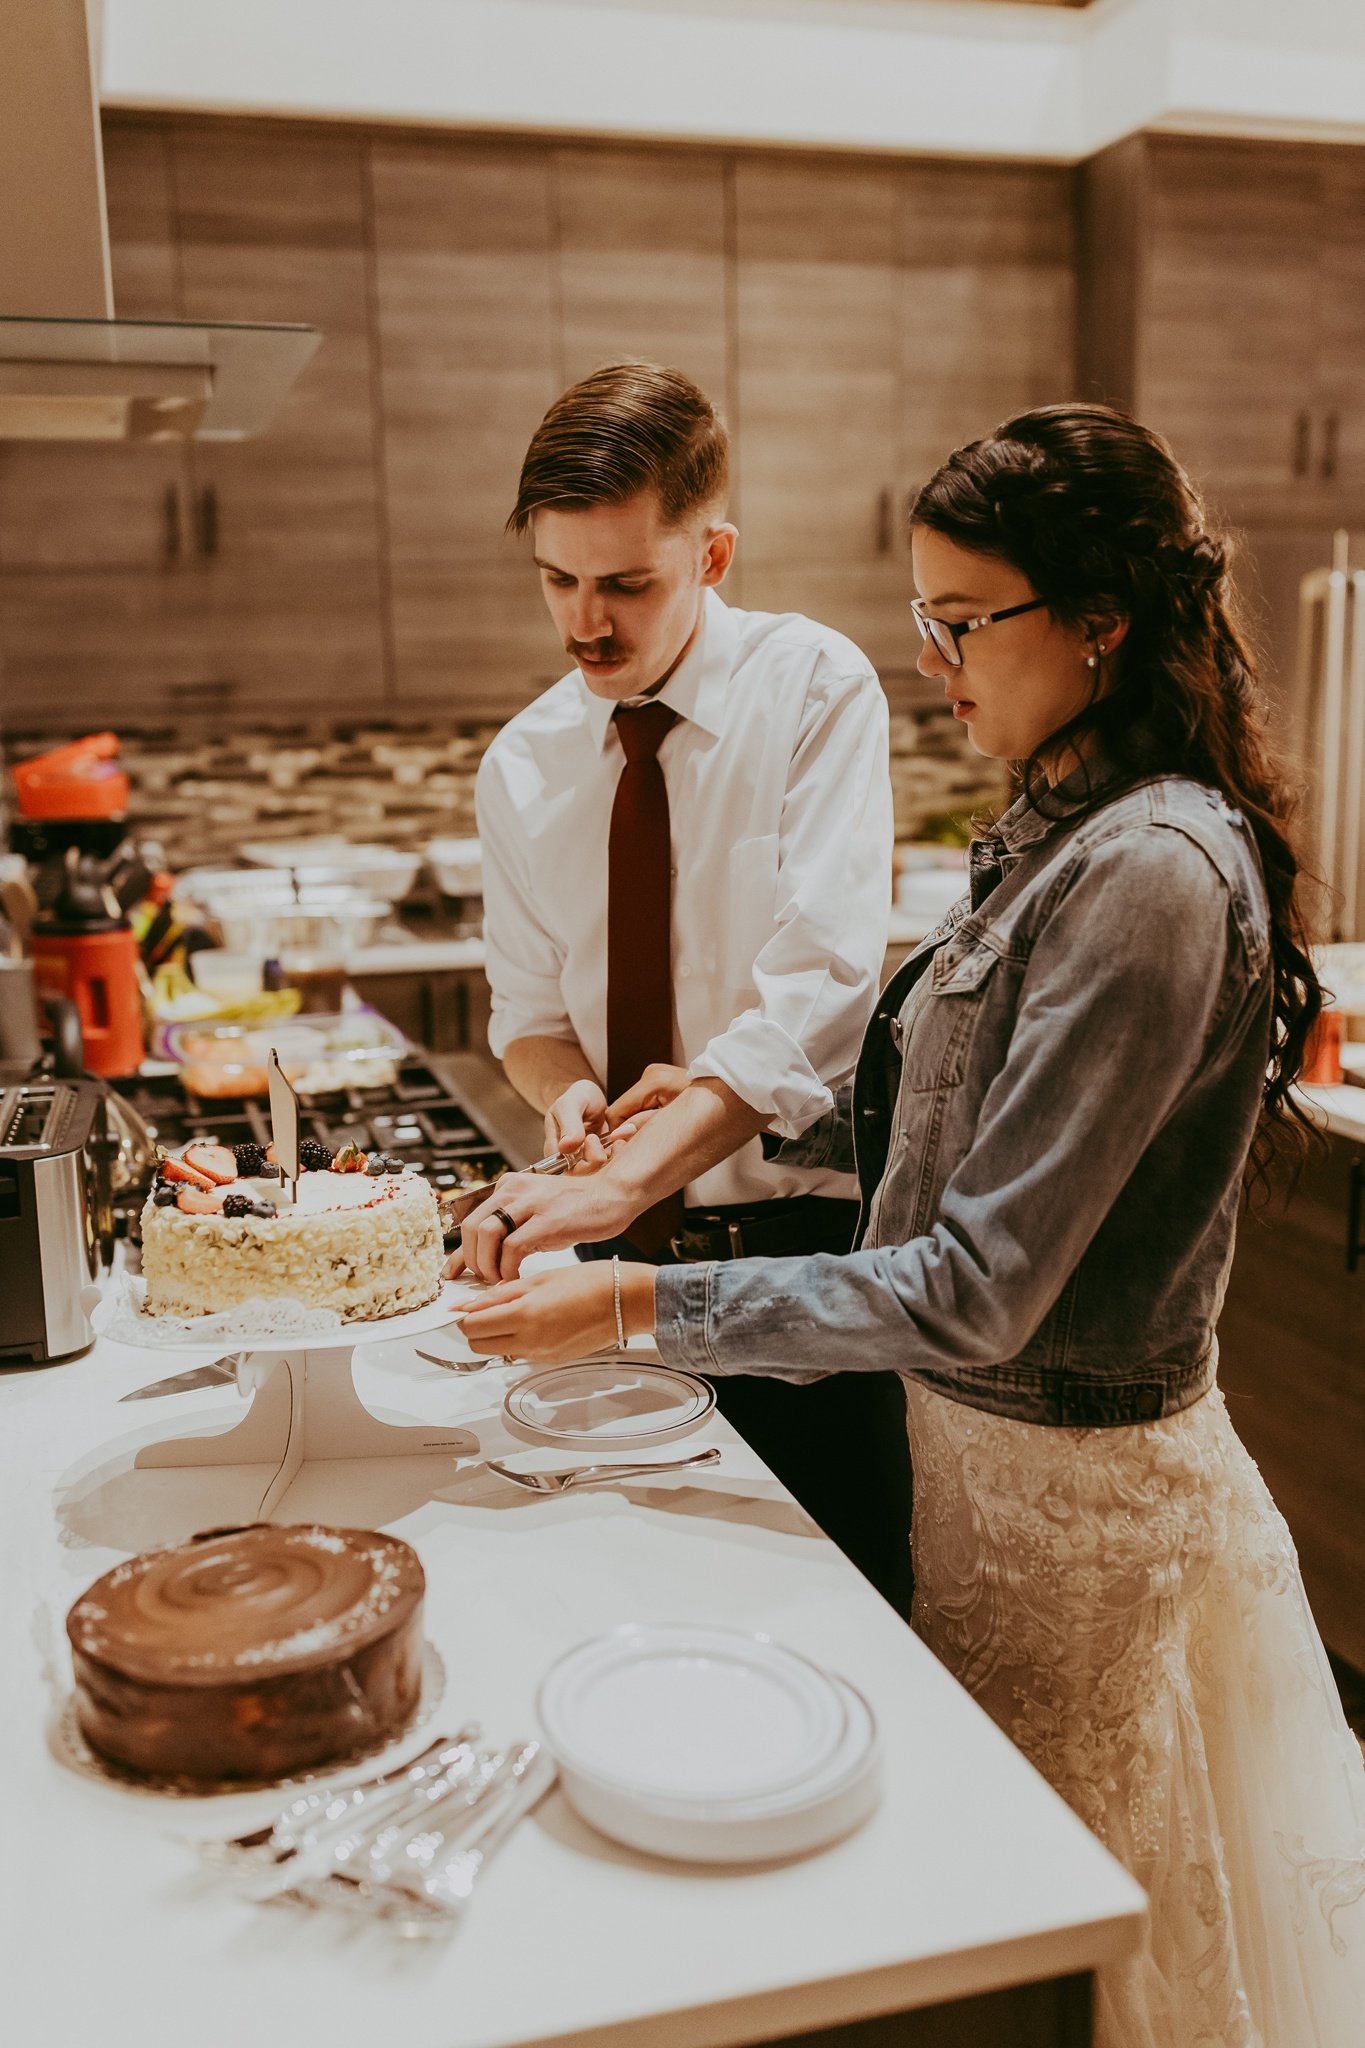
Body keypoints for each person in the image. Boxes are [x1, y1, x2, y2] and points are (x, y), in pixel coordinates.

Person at [456, 402, 1365, 2046]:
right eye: (923, 617)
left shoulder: (1154, 867)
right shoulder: (1052, 829)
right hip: (991, 1490)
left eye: (964, 620)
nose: (935, 659)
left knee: (1105, 1961)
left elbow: (980, 1282)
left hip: (1085, 1515)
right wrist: (701, 1106)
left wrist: (624, 1308)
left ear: (1100, 618)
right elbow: (950, 1122)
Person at [460, 358, 914, 1615]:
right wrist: (576, 1108)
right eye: (557, 579)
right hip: (599, 1285)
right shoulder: (523, 765)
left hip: (791, 1274)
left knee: (849, 1632)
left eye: (624, 583)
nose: (583, 622)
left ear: (713, 557)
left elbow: (822, 984)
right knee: (629, 1619)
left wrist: (627, 1171)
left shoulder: (815, 689)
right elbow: (529, 1020)